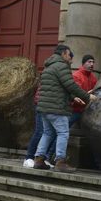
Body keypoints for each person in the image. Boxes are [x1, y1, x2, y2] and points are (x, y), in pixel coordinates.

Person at [33, 44, 91, 173]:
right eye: (70, 55)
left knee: (47, 133)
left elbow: (58, 87)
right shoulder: (62, 66)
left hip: (45, 107)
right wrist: (87, 97)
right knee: (63, 133)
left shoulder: (49, 67)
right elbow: (70, 85)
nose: (70, 58)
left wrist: (72, 97)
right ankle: (60, 161)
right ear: (64, 53)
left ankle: (39, 159)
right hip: (57, 108)